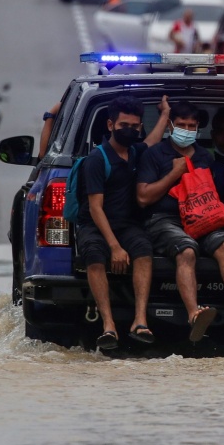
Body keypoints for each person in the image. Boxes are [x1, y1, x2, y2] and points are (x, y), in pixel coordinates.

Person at [136, 101, 224, 342]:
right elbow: (143, 198)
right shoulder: (154, 154)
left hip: (201, 218)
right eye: (181, 125)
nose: (187, 130)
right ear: (170, 126)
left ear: (199, 128)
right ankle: (194, 314)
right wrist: (174, 174)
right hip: (165, 220)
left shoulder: (204, 156)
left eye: (192, 126)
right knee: (187, 250)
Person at [75, 97, 158, 351]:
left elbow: (152, 140)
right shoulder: (96, 160)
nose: (129, 130)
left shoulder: (135, 151)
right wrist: (115, 247)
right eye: (124, 124)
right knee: (94, 256)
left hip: (127, 224)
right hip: (95, 224)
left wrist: (164, 114)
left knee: (144, 251)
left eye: (135, 126)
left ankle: (140, 320)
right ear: (110, 125)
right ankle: (108, 325)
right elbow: (95, 208)